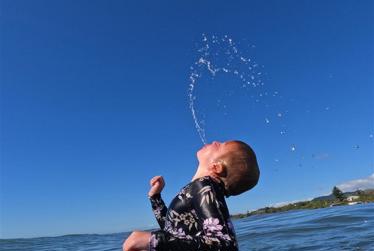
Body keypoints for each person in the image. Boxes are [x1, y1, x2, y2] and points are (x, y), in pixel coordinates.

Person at [123, 140, 260, 251]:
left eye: (219, 145)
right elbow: (173, 229)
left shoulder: (205, 186)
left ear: (216, 167)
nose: (214, 141)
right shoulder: (200, 189)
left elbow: (224, 245)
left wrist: (153, 240)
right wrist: (155, 197)